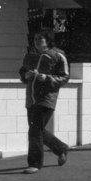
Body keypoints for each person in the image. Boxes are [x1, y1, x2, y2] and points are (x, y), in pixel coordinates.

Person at [17, 28, 70, 173]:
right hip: (31, 99)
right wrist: (26, 75)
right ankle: (61, 148)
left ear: (48, 41)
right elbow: (22, 73)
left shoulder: (58, 56)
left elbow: (65, 77)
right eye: (35, 39)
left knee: (34, 131)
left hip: (46, 99)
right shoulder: (30, 56)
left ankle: (35, 164)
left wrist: (47, 78)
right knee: (37, 130)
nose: (37, 42)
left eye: (40, 39)